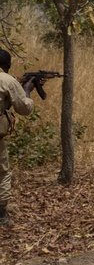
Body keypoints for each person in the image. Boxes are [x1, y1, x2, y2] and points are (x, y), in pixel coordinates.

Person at [0, 50, 38, 226]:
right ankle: (1, 215)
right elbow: (24, 109)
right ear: (7, 66)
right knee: (3, 174)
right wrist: (27, 91)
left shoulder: (9, 80)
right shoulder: (8, 81)